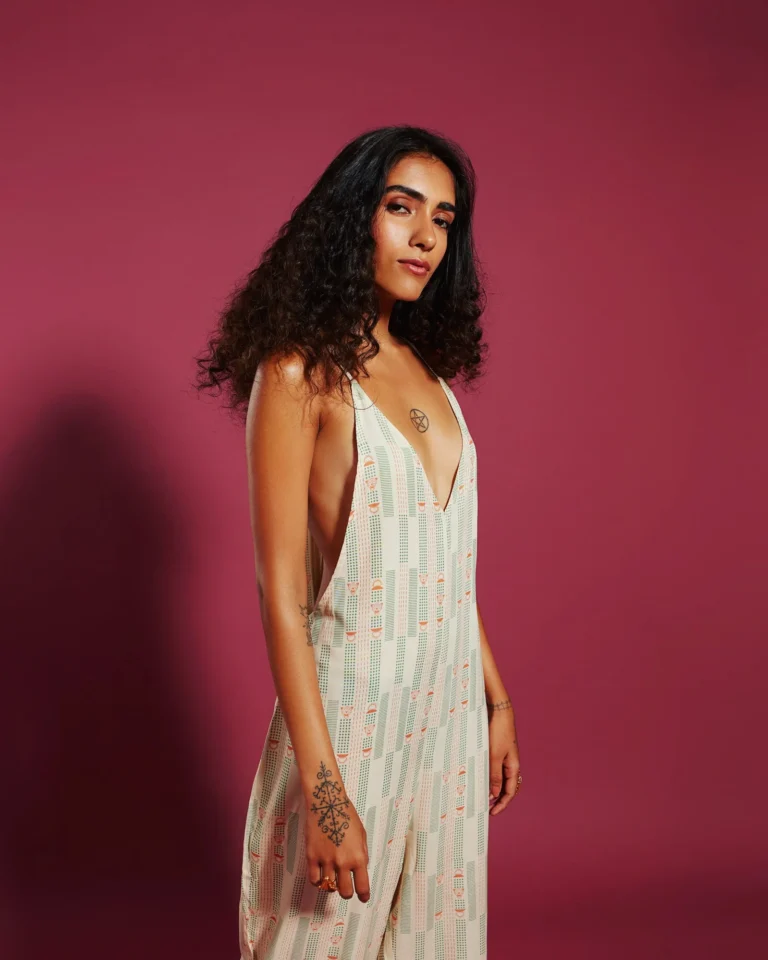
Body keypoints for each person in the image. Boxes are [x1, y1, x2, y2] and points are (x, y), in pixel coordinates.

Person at [195, 125, 521, 960]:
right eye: (401, 207)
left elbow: (447, 564)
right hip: (354, 718)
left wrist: (494, 698)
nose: (424, 237)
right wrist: (326, 792)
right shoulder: (300, 371)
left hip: (446, 719)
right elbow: (280, 587)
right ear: (351, 218)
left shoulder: (430, 374)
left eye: (443, 220)